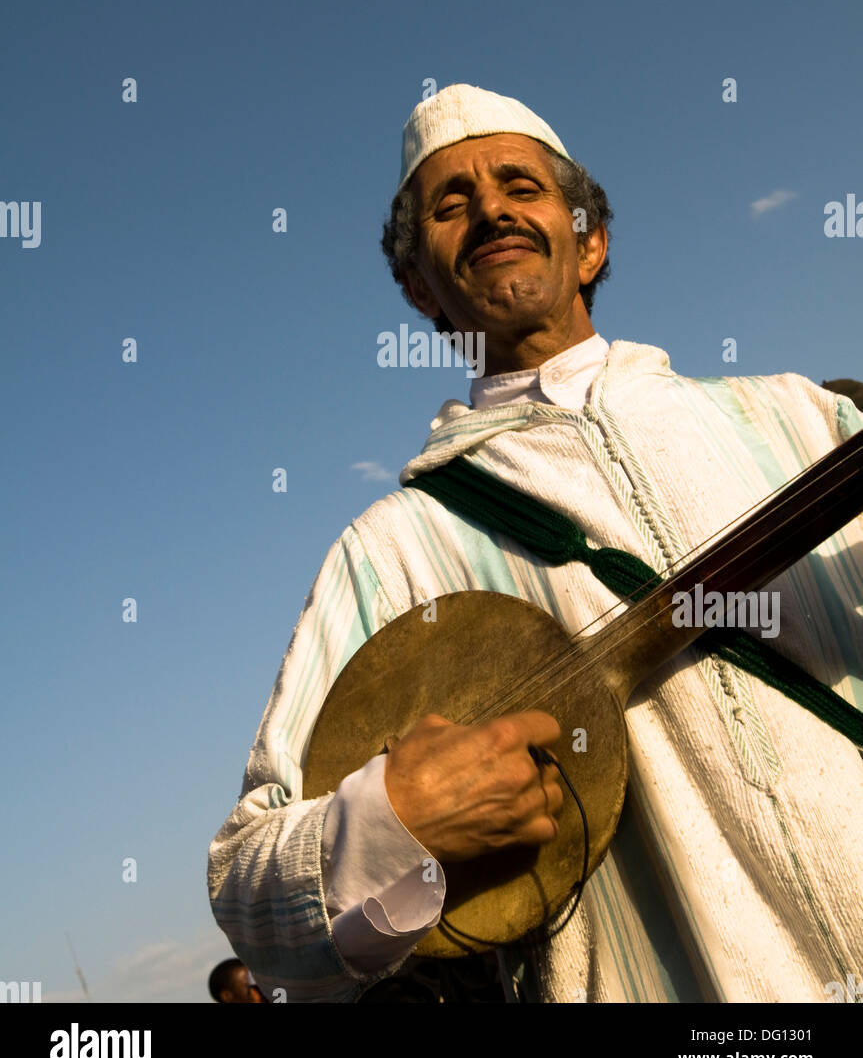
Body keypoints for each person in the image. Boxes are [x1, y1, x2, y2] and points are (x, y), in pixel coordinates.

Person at [208, 83, 863, 1003]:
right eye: (450, 203)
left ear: (588, 240)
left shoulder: (804, 420)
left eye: (520, 184)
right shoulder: (397, 549)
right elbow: (250, 891)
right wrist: (393, 821)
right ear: (416, 286)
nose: (490, 209)